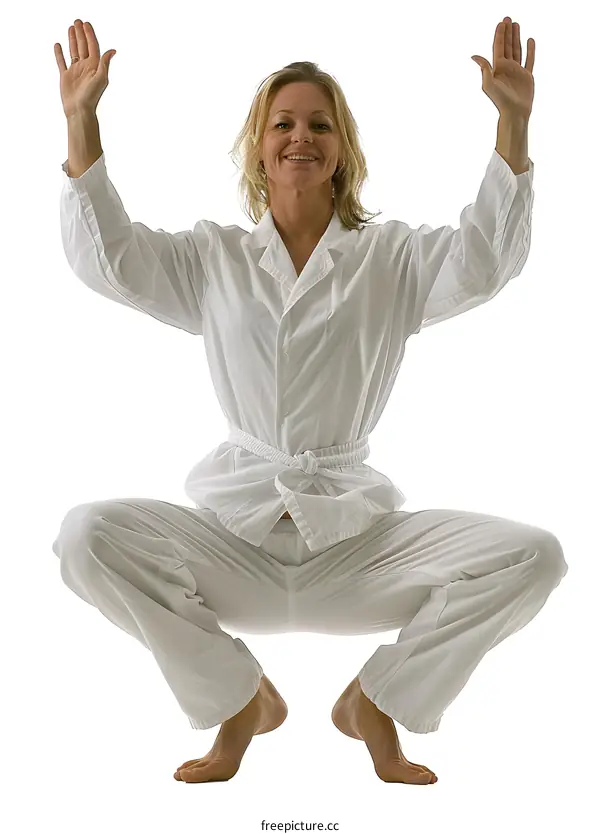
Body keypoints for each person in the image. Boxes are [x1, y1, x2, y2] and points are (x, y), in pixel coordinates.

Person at [52, 18, 567, 785]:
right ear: (259, 148)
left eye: (320, 124)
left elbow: (485, 260)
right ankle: (239, 700)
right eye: (283, 123)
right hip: (235, 544)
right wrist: (81, 119)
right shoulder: (213, 257)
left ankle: (376, 702)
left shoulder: (390, 259)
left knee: (535, 556)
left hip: (352, 547)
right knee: (86, 534)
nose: (301, 136)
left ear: (343, 150)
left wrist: (513, 122)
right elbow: (111, 262)